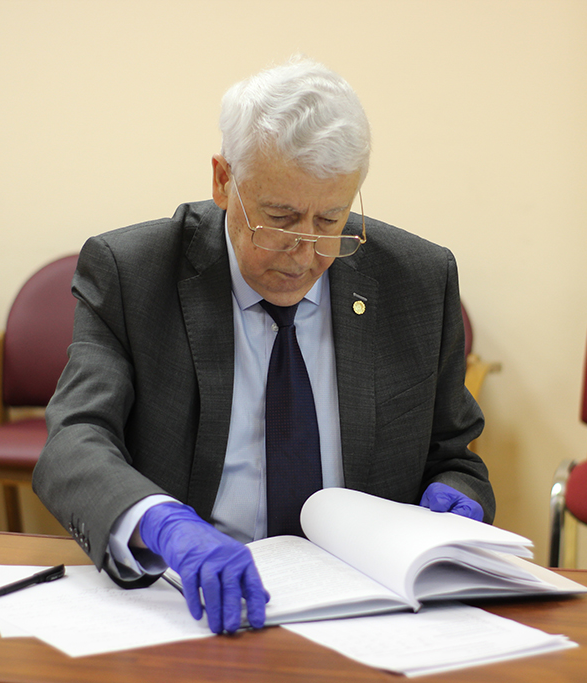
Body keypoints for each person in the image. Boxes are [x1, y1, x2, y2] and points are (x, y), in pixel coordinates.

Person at [32, 57, 495, 636]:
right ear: (224, 181)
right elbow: (74, 441)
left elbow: (454, 456)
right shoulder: (133, 274)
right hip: (197, 604)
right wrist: (161, 522)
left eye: (330, 220)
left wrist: (457, 494)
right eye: (280, 218)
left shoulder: (418, 281)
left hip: (371, 612)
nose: (306, 253)